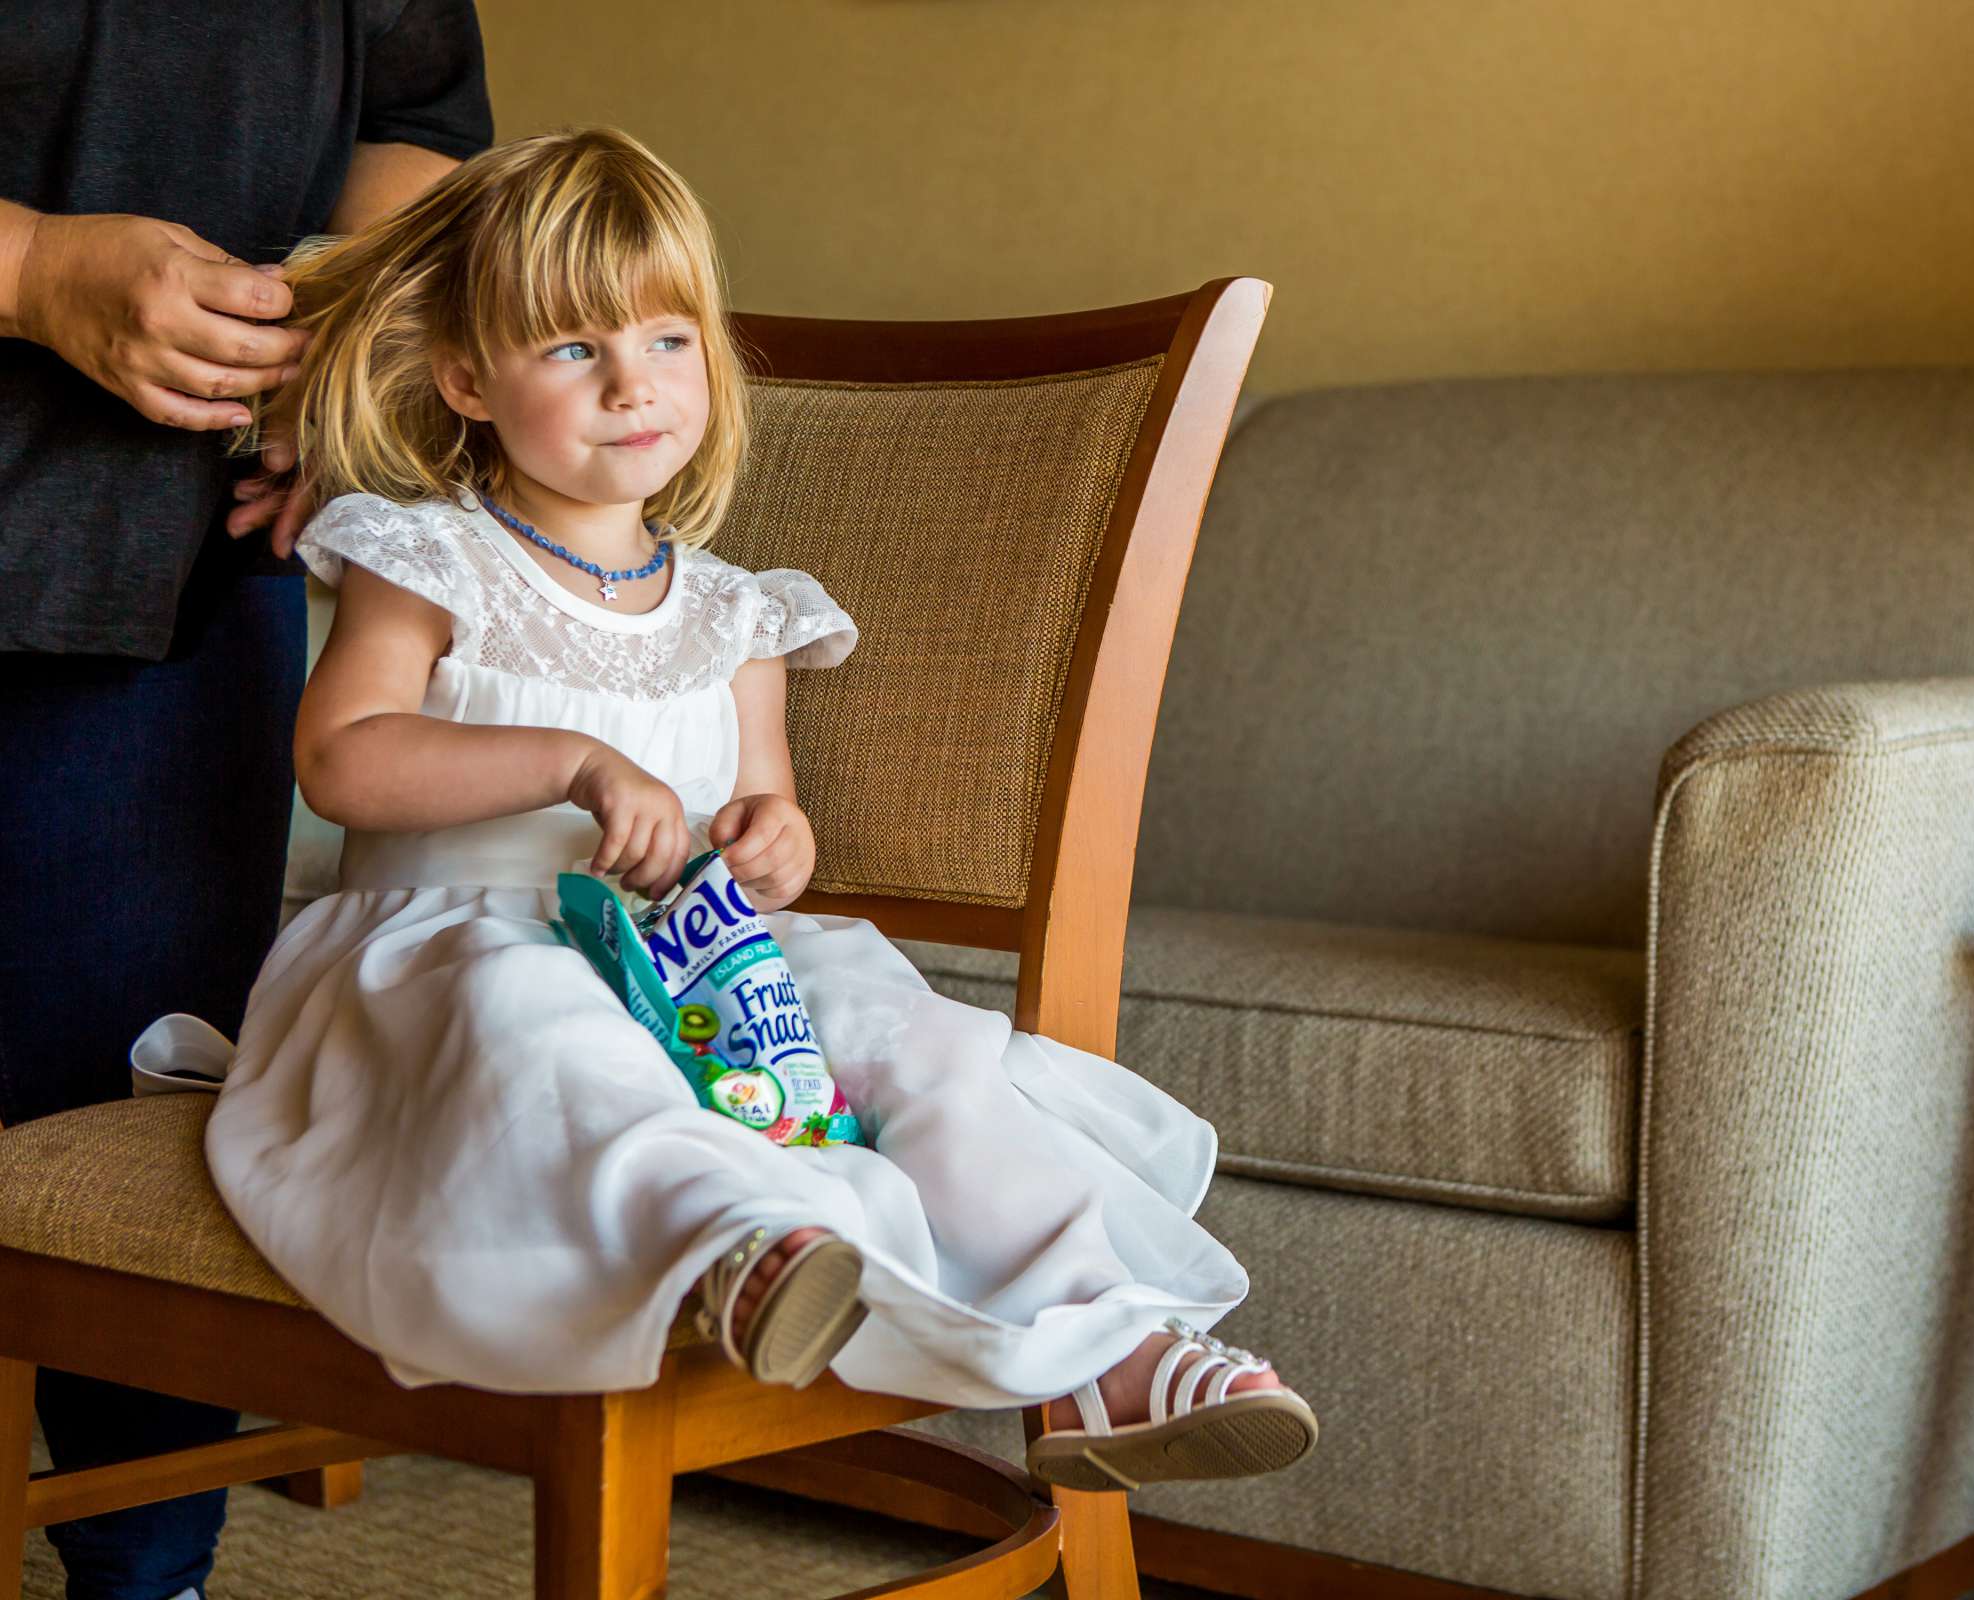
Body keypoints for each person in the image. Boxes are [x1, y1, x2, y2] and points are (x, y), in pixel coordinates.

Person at [162, 124, 1319, 1495]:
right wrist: (569, 764)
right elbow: (342, 761)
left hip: (692, 960)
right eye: (574, 350)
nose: (632, 387)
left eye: (666, 341)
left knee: (915, 1036)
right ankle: (732, 1244)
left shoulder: (739, 614)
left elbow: (772, 815)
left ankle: (1110, 1347)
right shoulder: (430, 553)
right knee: (541, 1029)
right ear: (466, 378)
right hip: (451, 946)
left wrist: (770, 845)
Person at [0, 7, 490, 1597]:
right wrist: (24, 270)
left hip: (174, 556)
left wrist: (354, 359)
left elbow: (417, 123)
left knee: (132, 1100)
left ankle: (148, 1578)